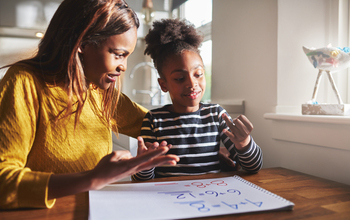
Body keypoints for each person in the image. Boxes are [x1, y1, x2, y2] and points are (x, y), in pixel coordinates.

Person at [0, 0, 179, 210]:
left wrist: (217, 141)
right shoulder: (25, 82)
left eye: (127, 56)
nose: (123, 66)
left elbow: (163, 127)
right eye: (119, 54)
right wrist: (92, 179)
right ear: (83, 44)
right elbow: (4, 181)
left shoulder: (100, 92)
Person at [132, 18, 263, 181]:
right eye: (179, 78)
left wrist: (244, 143)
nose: (192, 84)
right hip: (169, 198)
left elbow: (253, 167)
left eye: (198, 74)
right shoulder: (153, 120)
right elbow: (140, 180)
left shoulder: (216, 114)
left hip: (211, 197)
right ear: (163, 84)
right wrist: (144, 165)